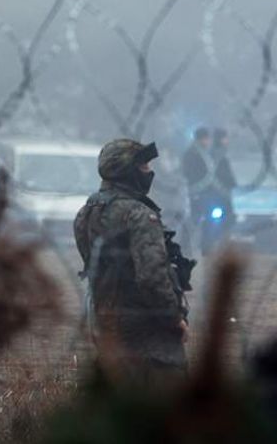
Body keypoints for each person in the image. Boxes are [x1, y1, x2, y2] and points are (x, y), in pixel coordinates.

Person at [74, 139, 188, 386]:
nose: (149, 172)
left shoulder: (87, 212)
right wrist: (173, 318)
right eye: (144, 166)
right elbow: (152, 276)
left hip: (106, 322)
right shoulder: (139, 215)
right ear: (127, 170)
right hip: (148, 328)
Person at [181, 127, 215, 225]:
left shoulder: (203, 152)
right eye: (207, 139)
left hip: (204, 192)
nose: (209, 141)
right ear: (201, 139)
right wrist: (195, 189)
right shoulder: (192, 154)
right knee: (197, 220)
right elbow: (190, 174)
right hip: (197, 193)